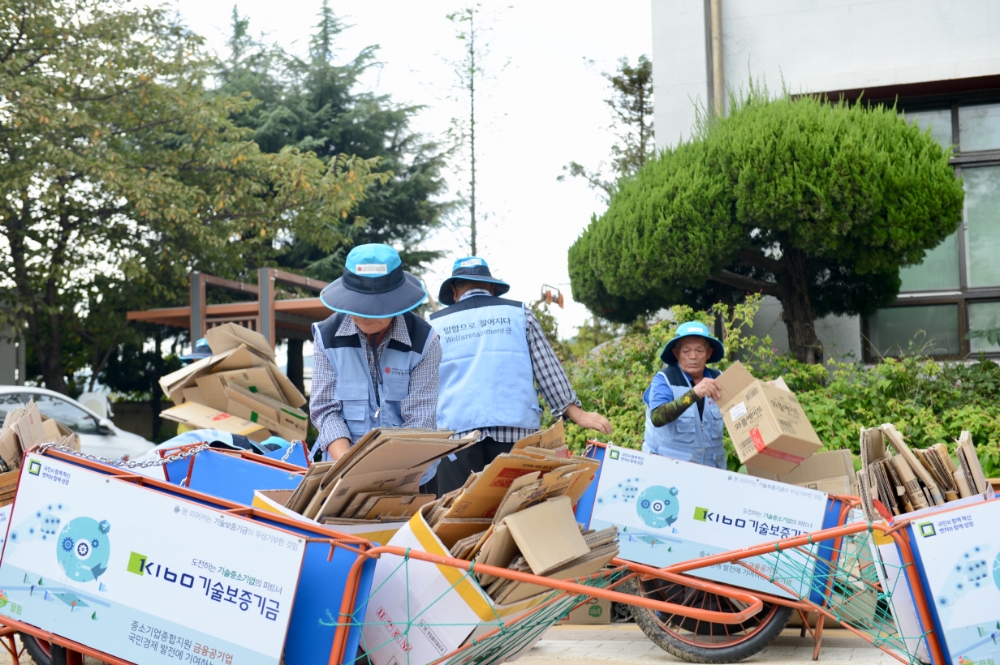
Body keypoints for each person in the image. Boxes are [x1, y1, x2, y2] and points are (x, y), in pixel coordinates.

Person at [430, 256, 612, 496]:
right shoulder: (519, 314)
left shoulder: (435, 326)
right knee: (515, 513)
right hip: (515, 437)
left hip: (456, 439)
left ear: (453, 290)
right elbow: (546, 367)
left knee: (455, 517)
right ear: (492, 288)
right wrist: (578, 414)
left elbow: (425, 384)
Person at [310, 244, 442, 491]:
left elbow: (420, 422)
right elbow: (325, 410)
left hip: (410, 477)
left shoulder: (425, 342)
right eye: (358, 306)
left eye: (377, 307)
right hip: (342, 474)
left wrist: (389, 478)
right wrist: (349, 470)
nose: (365, 315)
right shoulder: (325, 337)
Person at [642, 320, 726, 468]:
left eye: (699, 351)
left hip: (712, 470)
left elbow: (744, 402)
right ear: (676, 354)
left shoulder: (719, 378)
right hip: (670, 470)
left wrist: (763, 390)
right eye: (686, 351)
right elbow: (657, 417)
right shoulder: (664, 379)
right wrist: (694, 393)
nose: (693, 356)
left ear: (709, 353)